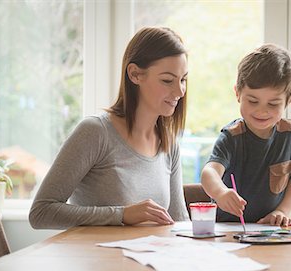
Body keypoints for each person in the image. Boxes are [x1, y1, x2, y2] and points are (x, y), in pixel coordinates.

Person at [29, 27, 190, 229]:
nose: (180, 91)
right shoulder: (95, 132)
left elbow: (179, 221)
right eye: (167, 80)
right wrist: (122, 214)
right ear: (135, 74)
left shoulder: (168, 141)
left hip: (149, 259)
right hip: (99, 259)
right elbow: (41, 213)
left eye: (183, 79)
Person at [201, 44, 291, 227]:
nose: (261, 111)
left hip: (270, 229)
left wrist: (282, 210)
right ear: (238, 93)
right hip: (229, 229)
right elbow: (210, 172)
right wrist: (221, 193)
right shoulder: (232, 137)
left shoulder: (290, 134)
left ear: (289, 100)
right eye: (253, 101)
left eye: (273, 104)